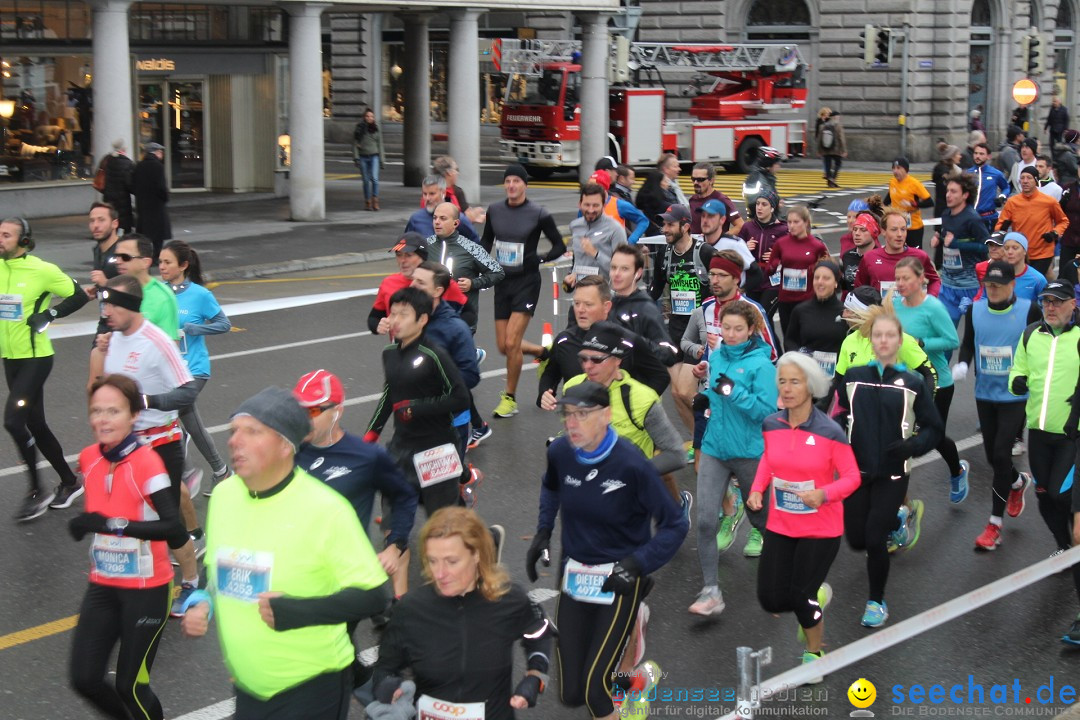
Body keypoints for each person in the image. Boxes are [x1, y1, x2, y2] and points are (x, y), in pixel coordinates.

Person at [180, 386, 390, 719]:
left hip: (310, 688)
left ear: (284, 445)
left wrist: (298, 611)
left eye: (252, 431)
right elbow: (216, 565)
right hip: (248, 686)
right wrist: (202, 600)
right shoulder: (224, 497)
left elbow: (375, 596)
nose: (235, 440)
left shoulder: (326, 509)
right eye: (235, 431)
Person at [527, 380, 688, 720]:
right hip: (575, 574)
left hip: (619, 578)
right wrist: (543, 531)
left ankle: (632, 626)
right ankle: (636, 681)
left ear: (606, 415)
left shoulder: (632, 464)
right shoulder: (560, 452)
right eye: (567, 414)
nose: (572, 423)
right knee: (571, 693)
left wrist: (637, 563)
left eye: (582, 415)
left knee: (594, 690)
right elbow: (550, 487)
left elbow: (675, 524)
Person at [68, 374, 189, 720]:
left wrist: (111, 526)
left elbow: (171, 525)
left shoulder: (148, 463)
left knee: (130, 687)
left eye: (113, 411)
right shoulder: (89, 457)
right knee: (84, 678)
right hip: (103, 585)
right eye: (96, 411)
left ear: (134, 415)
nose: (102, 420)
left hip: (147, 590)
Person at [372, 507, 552, 720]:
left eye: (452, 561)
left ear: (476, 554)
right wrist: (390, 687)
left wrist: (536, 675)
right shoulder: (411, 609)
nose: (439, 573)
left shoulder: (509, 599)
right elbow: (384, 670)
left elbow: (539, 634)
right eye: (432, 560)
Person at [749, 353, 860, 682]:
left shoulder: (830, 431)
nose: (786, 388)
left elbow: (852, 477)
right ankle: (817, 597)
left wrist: (824, 494)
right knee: (770, 598)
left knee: (801, 596)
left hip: (820, 527)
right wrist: (757, 489)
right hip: (781, 523)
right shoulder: (772, 423)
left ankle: (814, 652)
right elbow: (769, 460)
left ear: (811, 386)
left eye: (794, 381)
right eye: (782, 381)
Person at [97, 275, 203, 615]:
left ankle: (190, 584)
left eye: (112, 304)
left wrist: (146, 400)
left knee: (168, 522)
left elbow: (187, 390)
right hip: (123, 446)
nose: (106, 310)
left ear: (131, 306)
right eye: (105, 303)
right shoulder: (111, 338)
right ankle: (132, 581)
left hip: (160, 445)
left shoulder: (156, 342)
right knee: (124, 518)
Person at [838, 305, 943, 628]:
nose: (883, 341)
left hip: (893, 473)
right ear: (871, 339)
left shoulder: (913, 383)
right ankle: (898, 520)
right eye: (878, 335)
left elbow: (933, 428)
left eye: (890, 336)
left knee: (872, 540)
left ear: (899, 341)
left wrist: (912, 445)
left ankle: (876, 601)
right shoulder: (854, 379)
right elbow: (842, 416)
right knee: (855, 539)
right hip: (858, 472)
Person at [365, 287, 470, 598]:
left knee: (443, 528)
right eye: (392, 313)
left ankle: (465, 578)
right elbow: (390, 395)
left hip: (436, 451)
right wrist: (371, 433)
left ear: (422, 319)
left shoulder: (434, 354)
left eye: (403, 314)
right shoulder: (389, 355)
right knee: (395, 524)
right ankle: (401, 601)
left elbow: (460, 397)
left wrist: (417, 408)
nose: (394, 320)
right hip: (401, 451)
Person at [689, 301, 777, 615]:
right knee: (705, 521)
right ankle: (711, 591)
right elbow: (715, 391)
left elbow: (767, 412)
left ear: (752, 329)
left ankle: (791, 573)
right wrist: (705, 386)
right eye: (726, 328)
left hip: (749, 452)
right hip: (715, 448)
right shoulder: (718, 354)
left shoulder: (762, 364)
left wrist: (732, 392)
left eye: (738, 329)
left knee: (762, 520)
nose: (731, 334)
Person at [0, 217, 90, 521]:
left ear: (24, 240)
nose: (0, 239)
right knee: (35, 424)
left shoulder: (42, 270)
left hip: (36, 358)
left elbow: (78, 294)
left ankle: (37, 491)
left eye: (6, 235)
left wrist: (50, 314)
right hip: (10, 359)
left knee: (14, 421)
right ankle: (70, 481)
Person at [954, 261, 1038, 550]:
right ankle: (1017, 482)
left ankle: (994, 525)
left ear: (1012, 285)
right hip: (985, 394)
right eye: (989, 285)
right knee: (994, 458)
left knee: (1002, 453)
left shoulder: (1029, 310)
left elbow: (1039, 348)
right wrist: (964, 363)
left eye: (999, 285)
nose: (993, 290)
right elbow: (968, 343)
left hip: (1015, 397)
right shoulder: (976, 309)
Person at [480, 164, 566, 419]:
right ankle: (543, 353)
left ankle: (510, 398)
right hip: (502, 282)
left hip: (527, 283)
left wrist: (540, 259)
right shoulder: (494, 210)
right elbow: (486, 241)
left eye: (517, 181)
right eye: (508, 181)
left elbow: (560, 245)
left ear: (525, 185)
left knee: (511, 342)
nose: (511, 185)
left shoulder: (538, 213)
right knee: (503, 346)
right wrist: (479, 260)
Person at [1009, 280, 1080, 558]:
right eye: (1046, 301)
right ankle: (1064, 546)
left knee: (1060, 494)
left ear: (1072, 304)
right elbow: (1018, 368)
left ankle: (1074, 537)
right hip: (1037, 431)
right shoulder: (1030, 335)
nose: (1051, 307)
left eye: (1058, 302)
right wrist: (1017, 381)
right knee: (1042, 495)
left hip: (1070, 434)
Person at [158, 240, 231, 496]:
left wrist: (193, 328)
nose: (162, 267)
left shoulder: (200, 295)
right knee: (188, 421)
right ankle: (220, 471)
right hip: (168, 370)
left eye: (167, 262)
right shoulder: (159, 292)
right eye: (160, 262)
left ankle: (186, 473)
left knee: (169, 415)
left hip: (194, 369)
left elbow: (224, 324)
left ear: (184, 265)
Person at [891, 257, 967, 504]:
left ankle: (957, 472)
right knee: (903, 439)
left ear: (921, 279)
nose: (900, 283)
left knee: (933, 436)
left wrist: (922, 343)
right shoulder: (893, 305)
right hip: (904, 383)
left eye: (906, 278)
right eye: (898, 278)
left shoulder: (933, 307)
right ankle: (899, 501)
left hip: (937, 383)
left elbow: (952, 340)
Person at [539, 277, 670, 400]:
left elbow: (660, 376)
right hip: (579, 421)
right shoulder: (564, 340)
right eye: (577, 303)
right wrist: (545, 392)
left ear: (606, 307)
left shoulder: (626, 339)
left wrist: (638, 407)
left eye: (588, 304)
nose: (580, 310)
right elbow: (551, 374)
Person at [424, 201, 504, 332]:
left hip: (462, 321)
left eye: (443, 218)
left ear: (456, 223)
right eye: (435, 218)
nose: (437, 222)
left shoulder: (471, 248)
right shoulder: (425, 245)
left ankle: (473, 353)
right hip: (432, 319)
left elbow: (497, 272)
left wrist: (473, 283)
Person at [367, 232, 468, 334]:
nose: (402, 260)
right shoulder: (388, 283)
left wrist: (451, 333)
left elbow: (468, 312)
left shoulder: (441, 281)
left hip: (437, 347)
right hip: (402, 348)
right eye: (398, 255)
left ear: (422, 257)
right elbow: (374, 317)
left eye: (408, 255)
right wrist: (378, 326)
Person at [760, 205, 830, 336]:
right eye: (789, 222)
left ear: (806, 223)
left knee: (806, 338)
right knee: (789, 337)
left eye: (796, 222)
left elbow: (830, 271)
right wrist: (773, 265)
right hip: (785, 299)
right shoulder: (781, 243)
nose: (791, 226)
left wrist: (814, 270)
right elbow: (768, 271)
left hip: (808, 300)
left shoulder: (816, 246)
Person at [608, 244, 680, 368]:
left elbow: (670, 353)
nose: (616, 274)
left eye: (624, 269)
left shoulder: (646, 308)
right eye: (613, 268)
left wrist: (635, 341)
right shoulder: (609, 305)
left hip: (637, 383)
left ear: (638, 273)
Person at [932, 173, 989, 325]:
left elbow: (986, 246)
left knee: (973, 332)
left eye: (953, 191)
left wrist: (958, 244)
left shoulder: (973, 218)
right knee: (945, 331)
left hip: (969, 285)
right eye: (947, 191)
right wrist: (939, 237)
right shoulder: (946, 214)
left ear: (965, 195)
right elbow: (948, 236)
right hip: (948, 285)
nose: (948, 195)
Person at [996, 165, 1069, 276]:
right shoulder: (1012, 202)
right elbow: (999, 226)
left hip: (1043, 252)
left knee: (1033, 280)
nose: (1025, 181)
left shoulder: (1049, 201)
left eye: (1029, 178)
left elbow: (1063, 221)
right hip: (1020, 253)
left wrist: (1054, 233)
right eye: (1022, 178)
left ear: (1036, 181)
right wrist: (1002, 229)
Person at [854, 207, 942, 296]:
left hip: (911, 309)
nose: (899, 234)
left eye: (903, 229)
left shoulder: (919, 256)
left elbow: (935, 281)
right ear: (884, 231)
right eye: (894, 229)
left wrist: (930, 299)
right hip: (882, 310)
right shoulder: (870, 258)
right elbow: (859, 288)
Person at [784, 261, 848, 377]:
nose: (820, 282)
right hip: (807, 374)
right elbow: (790, 341)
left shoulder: (845, 312)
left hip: (837, 375)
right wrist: (800, 359)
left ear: (836, 283)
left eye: (826, 278)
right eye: (816, 278)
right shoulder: (800, 310)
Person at [564, 182, 627, 288]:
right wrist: (573, 275)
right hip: (582, 294)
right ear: (580, 204)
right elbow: (579, 260)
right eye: (587, 205)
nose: (591, 210)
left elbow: (623, 269)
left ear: (604, 205)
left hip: (607, 295)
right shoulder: (575, 226)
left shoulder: (615, 229)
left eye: (596, 205)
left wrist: (596, 253)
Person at [739, 189, 788, 316]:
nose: (759, 208)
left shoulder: (783, 229)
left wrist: (778, 255)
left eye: (764, 204)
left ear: (772, 208)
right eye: (758, 203)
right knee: (752, 320)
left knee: (763, 317)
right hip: (752, 281)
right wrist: (744, 247)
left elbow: (791, 254)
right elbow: (734, 254)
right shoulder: (747, 227)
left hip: (772, 282)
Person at [696, 198, 763, 290]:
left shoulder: (734, 244)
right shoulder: (697, 243)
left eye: (710, 216)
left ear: (722, 220)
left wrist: (739, 293)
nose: (705, 220)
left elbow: (756, 273)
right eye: (703, 216)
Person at [405, 175, 480, 242]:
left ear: (443, 193)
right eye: (425, 194)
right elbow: (405, 246)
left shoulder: (460, 220)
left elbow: (478, 248)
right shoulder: (416, 219)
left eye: (432, 194)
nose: (427, 198)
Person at [132, 142, 170, 262]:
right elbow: (161, 187)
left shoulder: (139, 166)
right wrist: (164, 198)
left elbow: (133, 185)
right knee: (158, 233)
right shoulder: (158, 166)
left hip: (142, 204)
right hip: (156, 205)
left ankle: (145, 255)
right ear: (156, 152)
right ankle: (156, 255)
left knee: (145, 233)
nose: (162, 154)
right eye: (161, 152)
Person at [883, 157, 933, 249]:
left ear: (906, 169)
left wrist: (914, 204)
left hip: (913, 226)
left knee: (914, 255)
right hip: (897, 226)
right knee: (897, 253)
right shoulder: (892, 182)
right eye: (893, 168)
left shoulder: (914, 184)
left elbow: (930, 202)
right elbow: (888, 198)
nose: (895, 171)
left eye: (898, 168)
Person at [687, 162, 743, 235]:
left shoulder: (722, 200)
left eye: (700, 179)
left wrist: (721, 238)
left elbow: (740, 225)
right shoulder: (692, 200)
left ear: (711, 180)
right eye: (693, 179)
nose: (695, 183)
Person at [966, 142, 1011, 231]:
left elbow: (1006, 187)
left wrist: (1002, 197)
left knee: (988, 244)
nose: (977, 156)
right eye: (976, 153)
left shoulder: (996, 173)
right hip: (970, 217)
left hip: (988, 218)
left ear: (988, 156)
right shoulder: (967, 174)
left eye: (981, 154)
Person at [433, 154, 485, 225]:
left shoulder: (430, 192)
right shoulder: (456, 192)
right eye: (456, 169)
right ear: (449, 173)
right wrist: (472, 217)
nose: (458, 173)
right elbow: (467, 217)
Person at [99, 139, 134, 232]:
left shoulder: (106, 159)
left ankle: (112, 235)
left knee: (111, 217)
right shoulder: (127, 163)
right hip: (122, 197)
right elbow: (129, 183)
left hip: (108, 196)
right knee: (123, 220)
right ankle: (121, 235)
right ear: (123, 149)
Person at [353, 108, 385, 211]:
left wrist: (382, 160)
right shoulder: (359, 129)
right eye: (367, 116)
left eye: (371, 116)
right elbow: (354, 144)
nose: (369, 118)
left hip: (374, 156)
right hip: (363, 157)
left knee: (375, 179)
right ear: (364, 117)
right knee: (366, 180)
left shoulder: (376, 128)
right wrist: (356, 157)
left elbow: (380, 144)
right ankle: (367, 202)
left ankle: (375, 201)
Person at [842, 211, 881, 291]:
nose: (857, 233)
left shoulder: (881, 258)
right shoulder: (847, 256)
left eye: (863, 230)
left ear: (874, 232)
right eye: (855, 229)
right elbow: (844, 289)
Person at [89, 201, 123, 289]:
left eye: (101, 220)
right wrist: (96, 290)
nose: (95, 225)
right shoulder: (97, 250)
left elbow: (136, 287)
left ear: (114, 224)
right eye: (92, 221)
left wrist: (106, 283)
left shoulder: (125, 250)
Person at [815, 108, 847, 188]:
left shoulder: (823, 126)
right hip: (836, 150)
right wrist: (844, 150)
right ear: (835, 117)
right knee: (838, 163)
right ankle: (833, 178)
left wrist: (819, 150)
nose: (838, 118)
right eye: (838, 117)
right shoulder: (838, 126)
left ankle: (829, 181)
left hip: (826, 149)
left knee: (828, 165)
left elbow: (819, 139)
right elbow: (841, 138)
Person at [635, 169, 673, 237]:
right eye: (665, 181)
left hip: (646, 235)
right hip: (662, 236)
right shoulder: (665, 205)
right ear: (660, 183)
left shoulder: (642, 200)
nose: (668, 184)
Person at [743, 146, 781, 211]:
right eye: (776, 163)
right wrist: (775, 204)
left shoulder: (768, 177)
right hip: (760, 218)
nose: (779, 166)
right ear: (768, 164)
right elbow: (752, 202)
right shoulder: (755, 178)